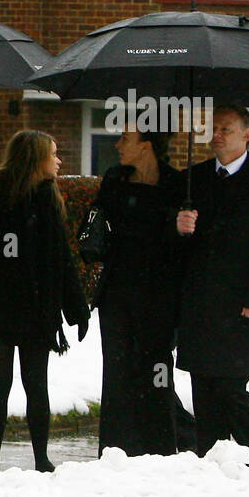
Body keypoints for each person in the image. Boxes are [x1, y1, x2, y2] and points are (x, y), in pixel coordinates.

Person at [0, 130, 89, 475]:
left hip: (8, 306)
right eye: (54, 154)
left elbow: (60, 256)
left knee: (10, 384)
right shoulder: (28, 195)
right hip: (22, 305)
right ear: (35, 158)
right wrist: (75, 308)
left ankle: (12, 459)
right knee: (24, 384)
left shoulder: (15, 192)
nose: (59, 161)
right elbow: (61, 258)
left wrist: (76, 309)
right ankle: (20, 459)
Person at [176, 105, 249, 463]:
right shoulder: (194, 180)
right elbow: (175, 247)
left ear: (247, 134)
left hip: (241, 304)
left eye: (226, 129)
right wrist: (179, 226)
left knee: (230, 385)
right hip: (201, 303)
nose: (216, 135)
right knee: (203, 384)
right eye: (213, 128)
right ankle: (209, 455)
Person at [88, 125, 186, 457]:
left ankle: (159, 446)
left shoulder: (177, 185)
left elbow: (181, 245)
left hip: (158, 294)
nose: (117, 144)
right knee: (116, 370)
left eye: (126, 139)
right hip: (117, 291)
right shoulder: (115, 179)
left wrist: (178, 225)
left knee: (156, 369)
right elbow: (99, 223)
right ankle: (115, 448)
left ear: (146, 146)